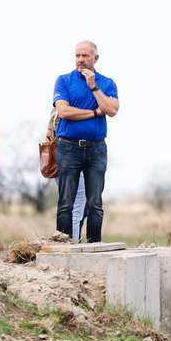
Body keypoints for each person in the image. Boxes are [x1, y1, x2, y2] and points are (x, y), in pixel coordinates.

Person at [53, 41, 119, 243]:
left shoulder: (107, 83)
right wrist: (94, 112)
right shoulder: (64, 80)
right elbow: (63, 111)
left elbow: (112, 110)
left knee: (95, 204)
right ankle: (63, 248)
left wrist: (94, 87)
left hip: (96, 148)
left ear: (95, 58)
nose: (80, 60)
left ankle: (93, 246)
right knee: (66, 203)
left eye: (85, 56)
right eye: (77, 55)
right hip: (68, 147)